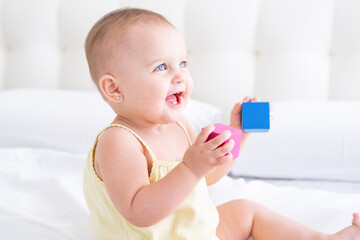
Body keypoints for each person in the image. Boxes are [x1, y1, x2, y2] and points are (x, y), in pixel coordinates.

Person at [83, 7, 360, 240]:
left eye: (182, 63)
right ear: (114, 89)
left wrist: (238, 132)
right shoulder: (119, 141)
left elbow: (207, 176)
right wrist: (190, 168)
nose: (180, 76)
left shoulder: (178, 125)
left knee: (245, 210)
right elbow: (139, 212)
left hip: (191, 230)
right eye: (160, 67)